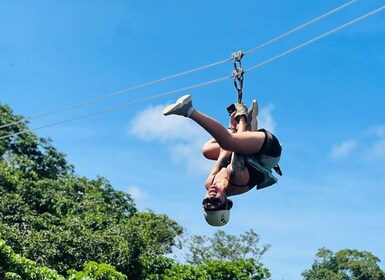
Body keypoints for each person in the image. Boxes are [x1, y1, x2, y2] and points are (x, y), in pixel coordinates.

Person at [163, 94, 282, 226]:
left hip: (245, 153)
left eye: (206, 202)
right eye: (216, 202)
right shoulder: (237, 180)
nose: (210, 197)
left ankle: (251, 120)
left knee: (207, 150)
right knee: (229, 142)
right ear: (227, 202)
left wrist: (231, 125)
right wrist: (241, 118)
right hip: (268, 152)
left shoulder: (210, 183)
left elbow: (224, 155)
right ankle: (189, 110)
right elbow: (236, 147)